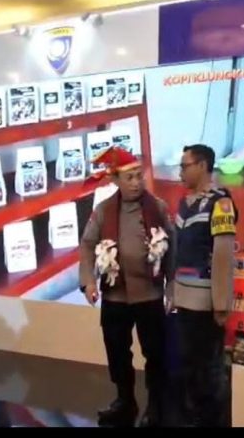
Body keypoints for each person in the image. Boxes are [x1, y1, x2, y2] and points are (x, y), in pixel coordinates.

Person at [79, 146, 175, 427]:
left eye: (138, 176)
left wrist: (171, 286)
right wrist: (88, 281)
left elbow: (173, 246)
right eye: (129, 178)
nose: (136, 183)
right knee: (117, 351)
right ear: (115, 181)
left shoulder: (157, 207)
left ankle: (156, 405)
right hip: (115, 295)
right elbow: (87, 245)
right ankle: (125, 400)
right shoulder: (103, 210)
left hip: (150, 295)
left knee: (154, 353)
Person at [173, 144, 237, 427]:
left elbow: (223, 255)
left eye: (184, 166)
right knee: (188, 367)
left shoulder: (221, 203)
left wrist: (221, 303)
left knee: (208, 372)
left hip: (206, 304)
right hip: (183, 300)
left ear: (201, 166)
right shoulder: (183, 204)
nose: (180, 172)